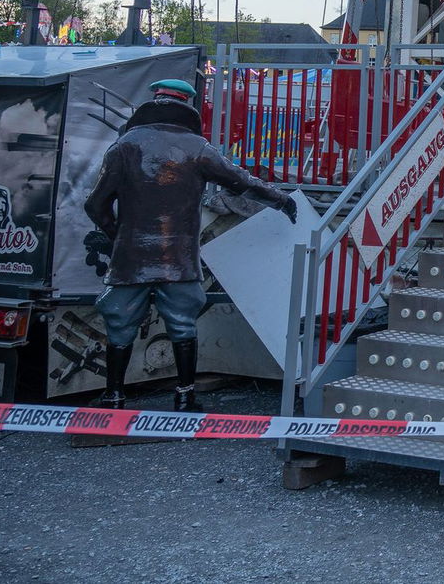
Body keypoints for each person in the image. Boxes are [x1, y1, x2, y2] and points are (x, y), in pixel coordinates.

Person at [82, 78, 297, 411]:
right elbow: (241, 182)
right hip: (178, 260)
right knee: (183, 325)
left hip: (129, 260)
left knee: (119, 325)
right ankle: (184, 397)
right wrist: (281, 200)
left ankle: (113, 396)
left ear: (154, 101)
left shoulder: (124, 146)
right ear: (187, 104)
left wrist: (119, 237)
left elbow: (95, 206)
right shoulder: (198, 148)